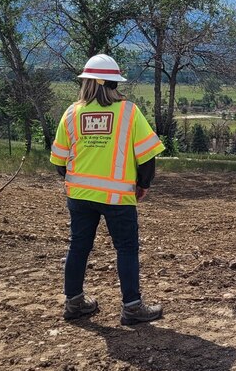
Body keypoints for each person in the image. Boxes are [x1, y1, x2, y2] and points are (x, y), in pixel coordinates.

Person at [50, 54, 166, 325]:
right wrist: (143, 185)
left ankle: (74, 303)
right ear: (113, 82)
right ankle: (132, 308)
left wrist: (77, 181)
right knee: (126, 249)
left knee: (78, 246)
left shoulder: (71, 113)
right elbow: (147, 156)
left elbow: (59, 162)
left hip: (79, 196)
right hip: (118, 198)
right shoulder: (128, 111)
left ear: (86, 82)